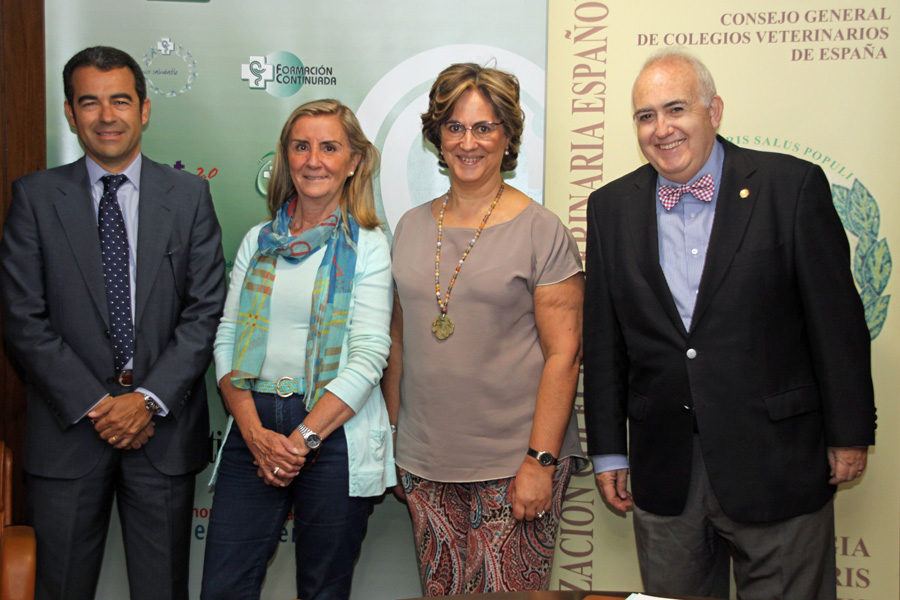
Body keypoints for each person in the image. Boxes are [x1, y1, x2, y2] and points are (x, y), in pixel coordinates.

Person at [583, 48, 877, 600]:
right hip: (665, 470)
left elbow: (836, 324)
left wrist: (849, 432)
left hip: (778, 461)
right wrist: (608, 450)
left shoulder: (790, 188)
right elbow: (603, 343)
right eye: (646, 116)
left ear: (713, 110)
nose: (661, 129)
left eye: (676, 109)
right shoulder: (610, 207)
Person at [0, 46, 226, 600]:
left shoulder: (190, 196)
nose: (107, 116)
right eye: (90, 103)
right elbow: (22, 317)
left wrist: (145, 399)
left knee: (161, 589)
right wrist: (102, 407)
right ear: (70, 112)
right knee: (60, 588)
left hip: (162, 432)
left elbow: (205, 311)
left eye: (120, 100)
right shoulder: (34, 197)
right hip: (69, 432)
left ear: (144, 109)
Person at [383, 63, 585, 595]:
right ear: (437, 136)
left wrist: (540, 460)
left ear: (508, 135)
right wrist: (395, 437)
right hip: (426, 464)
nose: (467, 142)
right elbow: (399, 340)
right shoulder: (409, 226)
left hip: (515, 463)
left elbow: (564, 354)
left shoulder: (543, 231)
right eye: (454, 127)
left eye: (484, 127)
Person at [200, 99, 394, 600]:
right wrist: (252, 430)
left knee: (322, 590)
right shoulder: (257, 241)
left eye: (330, 147)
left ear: (354, 161)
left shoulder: (369, 244)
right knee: (224, 586)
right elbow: (227, 334)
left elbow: (370, 355)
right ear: (286, 158)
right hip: (254, 425)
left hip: (332, 430)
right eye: (300, 146)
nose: (314, 160)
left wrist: (303, 438)